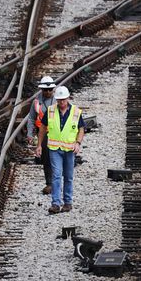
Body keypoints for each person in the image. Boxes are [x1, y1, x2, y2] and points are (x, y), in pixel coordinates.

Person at [35, 86, 83, 214]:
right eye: (59, 100)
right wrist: (39, 145)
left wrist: (78, 143)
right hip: (54, 149)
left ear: (68, 98)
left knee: (68, 176)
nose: (61, 102)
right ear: (56, 99)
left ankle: (67, 202)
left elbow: (81, 129)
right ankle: (55, 204)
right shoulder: (50, 111)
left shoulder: (76, 112)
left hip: (69, 150)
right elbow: (42, 128)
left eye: (63, 100)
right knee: (56, 176)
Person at [26, 76, 58, 194]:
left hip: (57, 133)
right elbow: (31, 118)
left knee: (58, 158)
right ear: (42, 90)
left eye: (50, 90)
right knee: (47, 158)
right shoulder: (36, 102)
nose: (48, 92)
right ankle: (50, 183)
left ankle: (57, 181)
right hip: (43, 134)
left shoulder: (58, 100)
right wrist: (30, 133)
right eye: (45, 90)